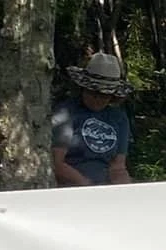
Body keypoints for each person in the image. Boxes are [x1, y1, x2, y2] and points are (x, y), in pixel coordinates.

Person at [51, 53, 134, 187]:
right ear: (83, 88)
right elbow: (57, 163)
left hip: (104, 185)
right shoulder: (66, 112)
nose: (97, 98)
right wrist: (87, 185)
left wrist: (125, 189)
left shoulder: (119, 118)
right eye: (93, 92)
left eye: (104, 95)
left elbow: (118, 167)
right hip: (71, 187)